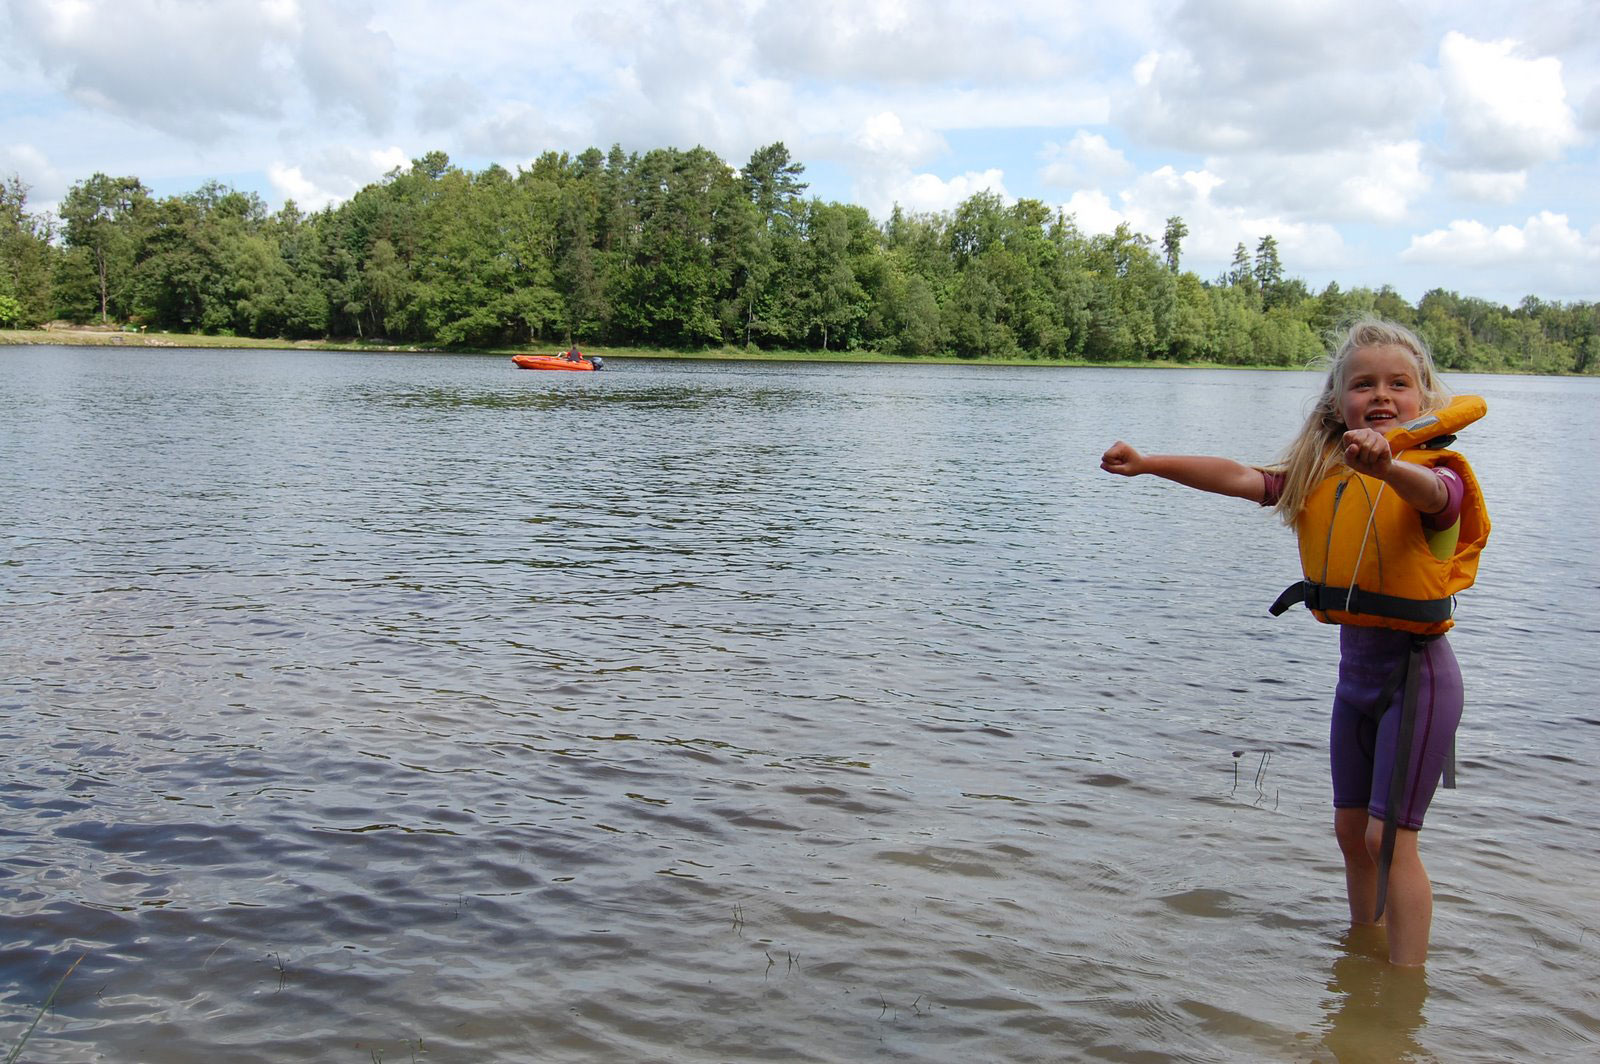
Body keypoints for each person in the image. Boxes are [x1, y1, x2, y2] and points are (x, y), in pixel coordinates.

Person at [1100, 318, 1490, 967]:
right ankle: (1363, 964)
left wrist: (1389, 466)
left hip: (1418, 681)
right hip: (1355, 684)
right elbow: (1239, 476)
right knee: (1350, 832)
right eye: (1363, 384)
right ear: (1337, 405)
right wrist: (1149, 464)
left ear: (1424, 397)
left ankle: (1405, 983)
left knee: (1389, 840)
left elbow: (1431, 498)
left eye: (1398, 383)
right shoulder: (1321, 473)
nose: (1382, 395)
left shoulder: (1437, 474)